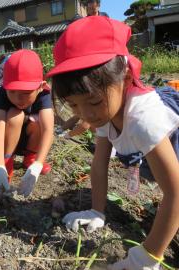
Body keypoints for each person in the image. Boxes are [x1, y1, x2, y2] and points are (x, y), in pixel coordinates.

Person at [46, 16, 179, 269]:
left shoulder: (142, 119)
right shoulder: (106, 111)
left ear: (126, 79)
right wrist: (97, 211)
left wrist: (147, 257)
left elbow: (176, 192)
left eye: (93, 102)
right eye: (74, 105)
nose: (86, 115)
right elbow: (99, 164)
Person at [0, 49, 54, 197]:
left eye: (26, 93)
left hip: (28, 140)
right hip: (7, 140)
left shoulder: (44, 94)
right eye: (12, 92)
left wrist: (38, 163)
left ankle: (30, 158)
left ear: (40, 86)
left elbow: (48, 130)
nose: (18, 98)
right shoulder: (2, 93)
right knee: (15, 114)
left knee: (39, 120)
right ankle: (8, 163)